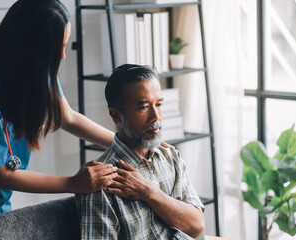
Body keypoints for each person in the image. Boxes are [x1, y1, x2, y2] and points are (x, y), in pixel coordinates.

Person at [0, 0, 118, 224]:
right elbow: (0, 175)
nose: (62, 56)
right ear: (33, 49)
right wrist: (74, 183)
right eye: (58, 48)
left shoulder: (34, 68)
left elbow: (68, 118)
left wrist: (126, 143)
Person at [76, 64, 205, 239]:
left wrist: (148, 192)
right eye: (143, 107)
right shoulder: (102, 181)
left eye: (159, 104)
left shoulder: (171, 157)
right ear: (116, 116)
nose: (156, 117)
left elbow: (196, 226)